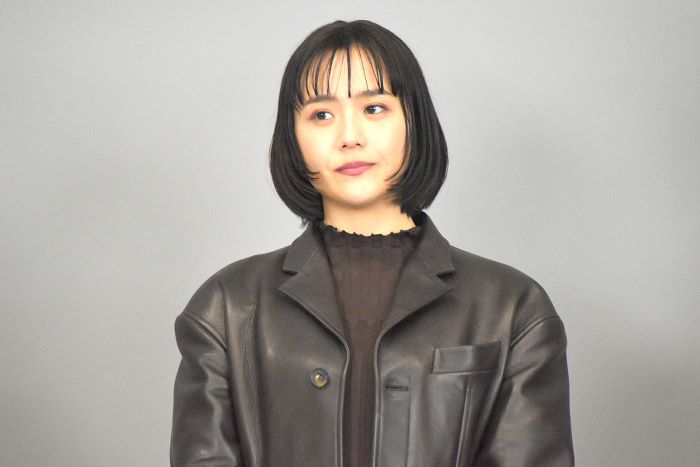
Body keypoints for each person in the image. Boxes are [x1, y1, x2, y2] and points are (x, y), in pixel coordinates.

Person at [170, 19, 574, 467]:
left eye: (374, 108)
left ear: (414, 121)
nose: (349, 137)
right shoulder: (227, 307)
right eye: (321, 115)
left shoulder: (512, 308)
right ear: (293, 138)